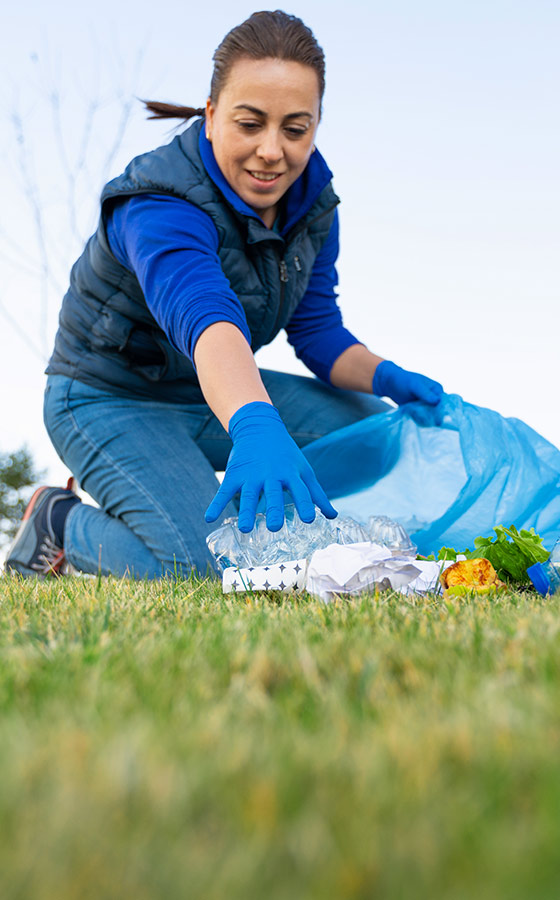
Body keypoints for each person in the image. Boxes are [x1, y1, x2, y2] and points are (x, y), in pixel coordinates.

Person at [5, 10, 443, 579]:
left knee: (371, 435)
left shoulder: (312, 203)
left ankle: (242, 519)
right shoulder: (159, 202)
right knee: (210, 571)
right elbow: (205, 318)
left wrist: (388, 378)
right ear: (211, 116)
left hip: (203, 390)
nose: (271, 151)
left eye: (294, 128)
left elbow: (317, 328)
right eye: (250, 123)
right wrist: (254, 424)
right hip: (107, 398)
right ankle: (60, 524)